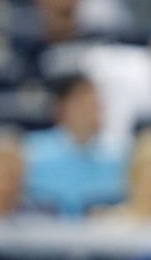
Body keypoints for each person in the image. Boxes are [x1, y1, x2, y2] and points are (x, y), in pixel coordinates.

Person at [23, 73, 128, 216]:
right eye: (82, 101)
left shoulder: (119, 156)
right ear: (60, 107)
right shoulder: (29, 152)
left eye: (95, 101)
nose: (92, 107)